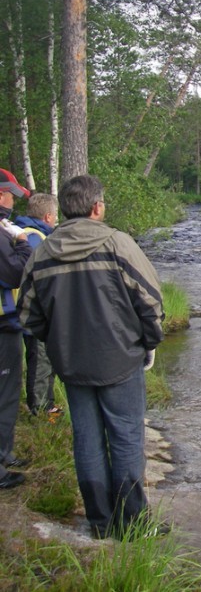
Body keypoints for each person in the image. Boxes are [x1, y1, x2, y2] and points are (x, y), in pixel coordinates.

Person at [18, 175, 166, 538]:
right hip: (121, 360)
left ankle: (100, 523)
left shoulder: (42, 252)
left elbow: (29, 315)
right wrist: (149, 343)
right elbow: (150, 301)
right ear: (97, 207)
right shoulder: (118, 243)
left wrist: (58, 344)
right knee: (126, 438)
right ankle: (133, 525)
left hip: (72, 363)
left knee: (87, 440)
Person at [0, 168, 32, 490]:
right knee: (4, 394)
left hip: (5, 324)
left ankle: (5, 453)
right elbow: (17, 273)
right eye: (11, 196)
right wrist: (22, 243)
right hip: (1, 327)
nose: (14, 202)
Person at [15, 193, 59, 416]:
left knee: (43, 359)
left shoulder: (23, 231)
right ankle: (40, 410)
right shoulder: (35, 238)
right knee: (41, 360)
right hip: (33, 310)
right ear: (48, 216)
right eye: (55, 215)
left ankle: (45, 405)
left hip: (24, 308)